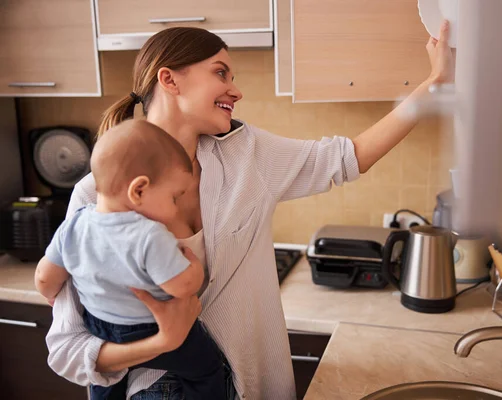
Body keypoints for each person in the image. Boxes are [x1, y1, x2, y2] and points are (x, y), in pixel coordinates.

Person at [45, 20, 454, 400]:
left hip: (248, 382)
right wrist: (163, 344)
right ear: (169, 79)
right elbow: (68, 348)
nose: (236, 90)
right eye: (221, 73)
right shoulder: (93, 197)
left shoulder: (247, 155)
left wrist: (435, 82)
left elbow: (351, 156)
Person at [35, 120, 226, 400]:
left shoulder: (74, 224)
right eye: (173, 198)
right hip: (151, 329)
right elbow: (181, 288)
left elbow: (44, 279)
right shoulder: (151, 235)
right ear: (139, 190)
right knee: (207, 369)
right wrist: (193, 265)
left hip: (100, 330)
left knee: (104, 381)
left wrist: (54, 294)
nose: (174, 210)